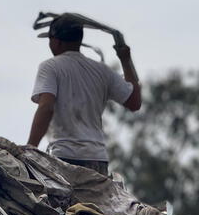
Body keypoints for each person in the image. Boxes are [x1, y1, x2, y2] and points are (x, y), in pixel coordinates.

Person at [27, 13, 141, 176]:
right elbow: (134, 102)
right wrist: (125, 60)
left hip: (64, 158)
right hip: (98, 161)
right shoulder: (102, 70)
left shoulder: (50, 67)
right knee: (93, 203)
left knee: (62, 202)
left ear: (56, 41)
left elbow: (46, 107)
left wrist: (30, 148)